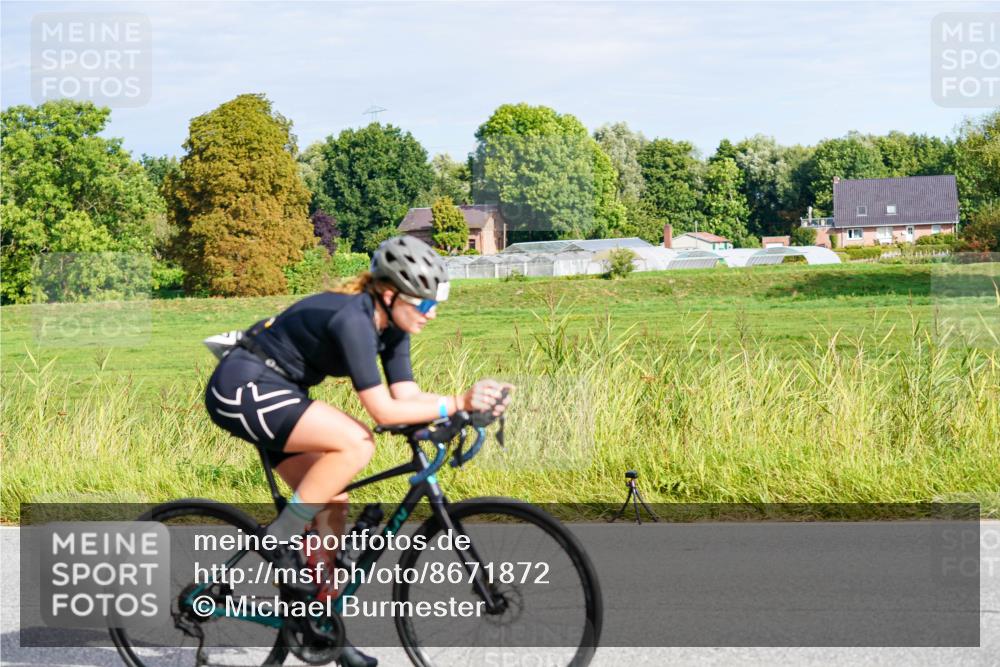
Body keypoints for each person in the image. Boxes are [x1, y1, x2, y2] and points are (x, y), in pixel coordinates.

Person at [204, 235, 512, 666]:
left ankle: (321, 628)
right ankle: (279, 541)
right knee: (356, 441)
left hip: (278, 391)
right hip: (242, 386)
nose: (432, 313)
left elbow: (406, 397)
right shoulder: (354, 317)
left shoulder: (393, 329)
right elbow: (383, 410)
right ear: (390, 294)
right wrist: (460, 400)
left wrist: (456, 415)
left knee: (333, 503)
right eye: (423, 304)